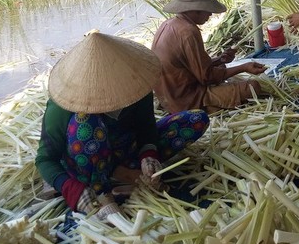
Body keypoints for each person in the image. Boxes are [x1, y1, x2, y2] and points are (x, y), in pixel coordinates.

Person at [36, 32, 209, 218]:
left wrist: (148, 154)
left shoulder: (136, 86)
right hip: (87, 165)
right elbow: (45, 160)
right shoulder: (63, 104)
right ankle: (103, 193)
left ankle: (128, 174)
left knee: (195, 120)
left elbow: (146, 127)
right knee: (85, 122)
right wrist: (71, 189)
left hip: (126, 151)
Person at [152, 0, 266, 114]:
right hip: (186, 101)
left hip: (169, 98)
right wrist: (244, 67)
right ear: (195, 9)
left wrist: (219, 60)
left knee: (222, 66)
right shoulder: (188, 32)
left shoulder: (168, 24)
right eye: (207, 9)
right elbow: (207, 77)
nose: (211, 14)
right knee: (253, 87)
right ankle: (207, 108)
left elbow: (191, 67)